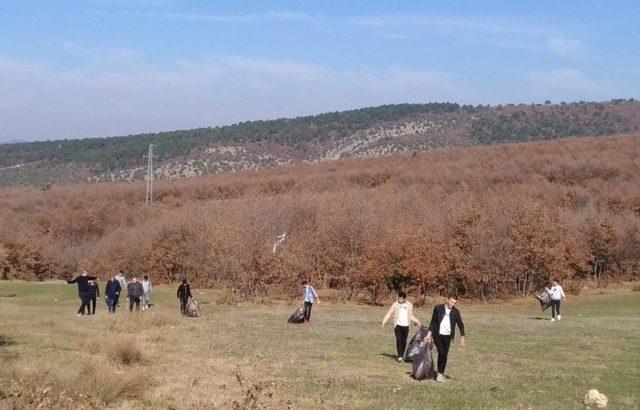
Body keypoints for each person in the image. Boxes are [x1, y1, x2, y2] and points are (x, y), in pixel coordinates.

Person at [425, 295, 466, 383]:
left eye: (454, 303)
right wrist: (428, 335)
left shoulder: (456, 312)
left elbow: (460, 324)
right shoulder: (438, 308)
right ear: (447, 300)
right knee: (442, 352)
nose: (453, 304)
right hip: (438, 335)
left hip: (448, 336)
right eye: (451, 302)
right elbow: (433, 322)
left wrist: (462, 337)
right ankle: (439, 374)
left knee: (444, 355)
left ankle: (440, 373)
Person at [381, 290, 421, 362]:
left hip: (406, 325)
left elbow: (410, 315)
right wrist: (384, 322)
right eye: (399, 299)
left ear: (405, 299)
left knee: (403, 341)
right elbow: (389, 313)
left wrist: (417, 321)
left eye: (401, 299)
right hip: (398, 325)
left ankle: (402, 355)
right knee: (399, 340)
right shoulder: (395, 304)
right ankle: (400, 356)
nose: (400, 300)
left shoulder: (409, 305)